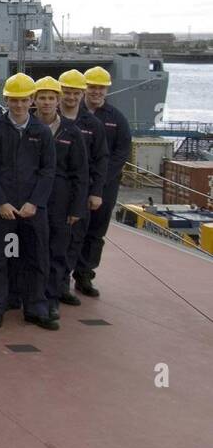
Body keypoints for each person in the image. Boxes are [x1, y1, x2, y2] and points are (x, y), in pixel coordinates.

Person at [0, 73, 56, 330]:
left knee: (37, 257)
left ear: (31, 100)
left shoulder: (42, 133)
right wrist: (0, 202)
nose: (19, 105)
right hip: (3, 210)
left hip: (33, 209)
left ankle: (36, 306)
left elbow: (48, 171)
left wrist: (35, 203)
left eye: (24, 100)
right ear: (7, 100)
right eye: (14, 100)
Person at [33, 76, 88, 322]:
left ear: (58, 100)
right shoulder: (27, 127)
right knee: (29, 250)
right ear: (34, 100)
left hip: (60, 200)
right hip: (31, 198)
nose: (46, 102)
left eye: (51, 98)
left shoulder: (71, 132)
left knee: (57, 251)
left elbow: (81, 172)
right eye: (42, 97)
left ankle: (51, 299)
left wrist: (77, 207)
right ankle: (27, 295)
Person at [75, 66, 132, 298]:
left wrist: (98, 182)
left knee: (96, 231)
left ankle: (85, 273)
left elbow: (121, 152)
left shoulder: (117, 119)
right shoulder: (72, 113)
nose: (96, 91)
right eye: (92, 87)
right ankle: (59, 274)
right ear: (84, 89)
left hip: (105, 186)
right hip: (74, 183)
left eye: (101, 88)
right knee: (68, 229)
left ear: (107, 90)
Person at [57, 69, 107, 305]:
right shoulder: (48, 119)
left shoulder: (93, 125)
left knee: (74, 240)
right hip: (53, 188)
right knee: (46, 239)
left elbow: (101, 160)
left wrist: (96, 192)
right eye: (66, 92)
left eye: (76, 93)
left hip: (80, 190)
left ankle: (62, 284)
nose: (71, 97)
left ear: (82, 94)